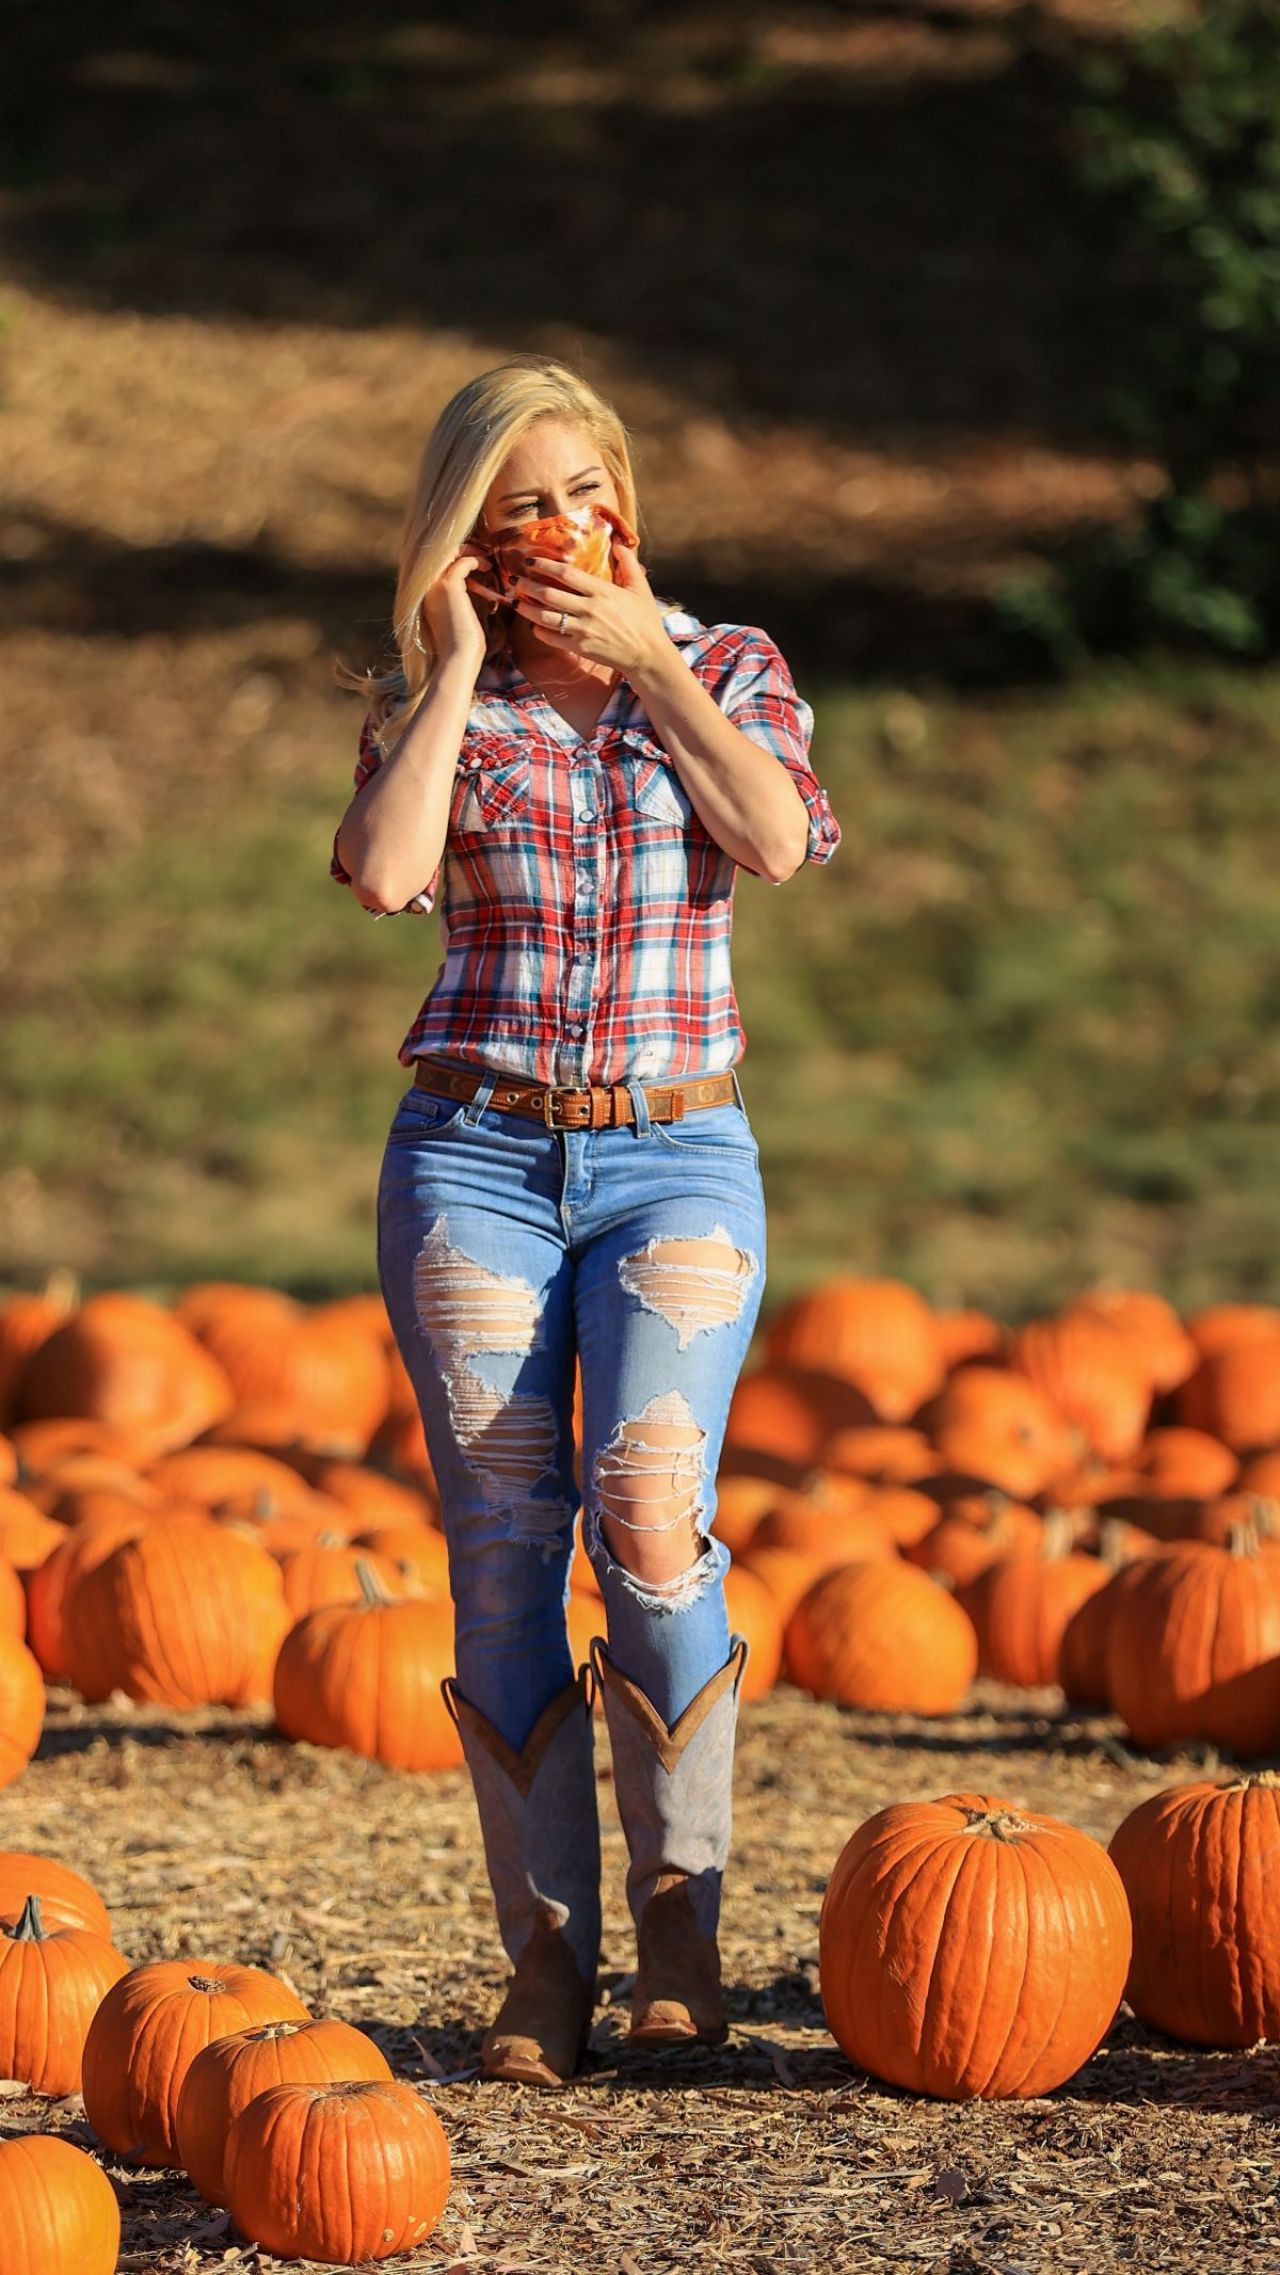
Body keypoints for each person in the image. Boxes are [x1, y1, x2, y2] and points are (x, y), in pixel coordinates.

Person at [330, 354, 842, 2086]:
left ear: (625, 501)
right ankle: (543, 1962)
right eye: (517, 505)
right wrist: (463, 664)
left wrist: (654, 674)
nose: (558, 528)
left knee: (648, 1508)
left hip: (674, 1160)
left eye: (580, 493)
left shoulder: (731, 667)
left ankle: (682, 1934)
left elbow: (773, 840)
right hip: (472, 1159)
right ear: (467, 538)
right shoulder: (436, 700)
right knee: (496, 1548)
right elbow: (387, 876)